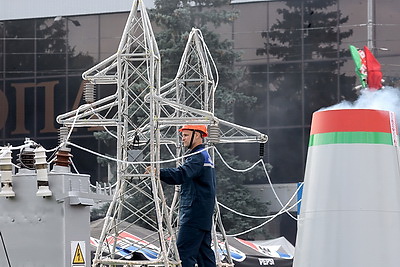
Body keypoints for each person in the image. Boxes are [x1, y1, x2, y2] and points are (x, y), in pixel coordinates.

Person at [146, 125, 216, 267]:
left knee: (184, 254)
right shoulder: (204, 155)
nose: (182, 139)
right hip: (202, 215)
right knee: (205, 256)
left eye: (185, 135)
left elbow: (181, 175)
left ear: (197, 135)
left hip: (193, 215)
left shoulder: (197, 157)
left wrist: (158, 172)